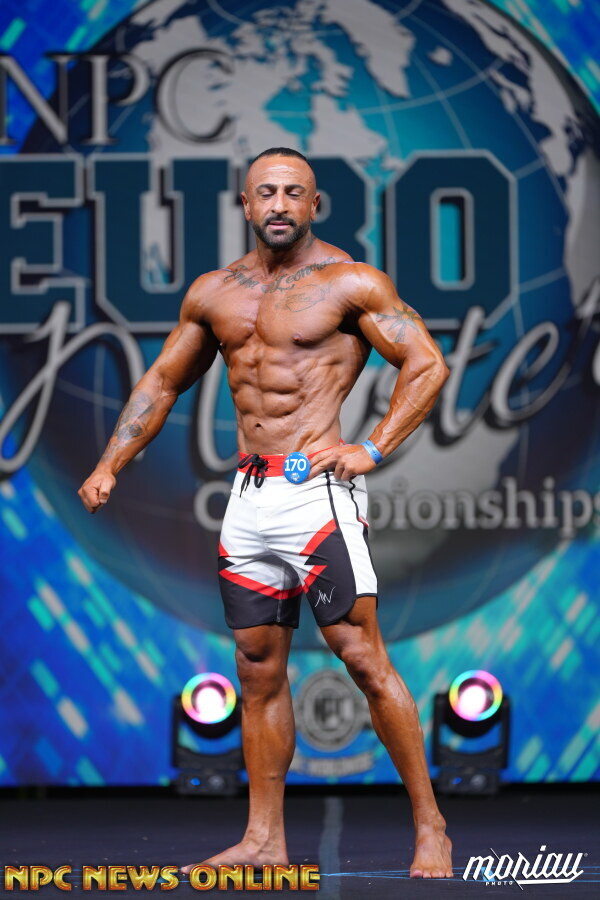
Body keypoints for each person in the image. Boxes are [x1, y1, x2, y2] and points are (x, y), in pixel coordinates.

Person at [78, 147, 453, 879]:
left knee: (361, 656)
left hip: (317, 494)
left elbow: (428, 363)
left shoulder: (350, 282)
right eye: (266, 193)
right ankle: (263, 840)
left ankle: (430, 824)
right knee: (255, 668)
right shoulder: (216, 292)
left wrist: (372, 447)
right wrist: (108, 464)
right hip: (248, 499)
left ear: (315, 204)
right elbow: (162, 383)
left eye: (293, 193)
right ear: (245, 204)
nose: (279, 204)